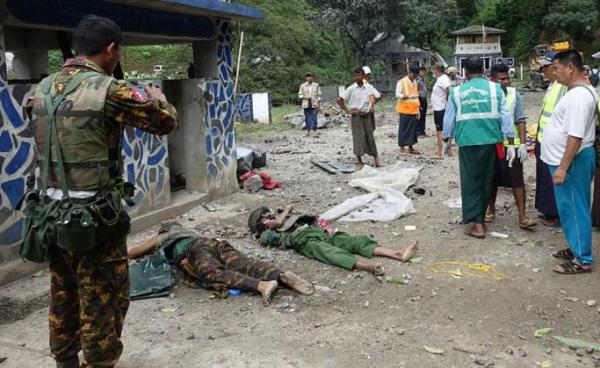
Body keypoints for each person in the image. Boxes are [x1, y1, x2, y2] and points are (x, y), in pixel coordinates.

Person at [25, 16, 178, 368]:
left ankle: (65, 361)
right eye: (118, 51)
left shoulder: (43, 88)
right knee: (102, 299)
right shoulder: (111, 90)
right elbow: (164, 123)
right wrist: (161, 99)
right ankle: (99, 361)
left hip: (51, 215)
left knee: (63, 293)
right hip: (95, 220)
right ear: (110, 49)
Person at [128, 222, 314, 304]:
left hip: (195, 250)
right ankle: (281, 275)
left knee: (215, 274)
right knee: (246, 263)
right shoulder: (188, 231)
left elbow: (134, 252)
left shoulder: (166, 234)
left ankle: (262, 285)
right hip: (215, 244)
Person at [443, 55, 515, 239]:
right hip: (490, 141)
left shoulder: (456, 92)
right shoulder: (495, 88)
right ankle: (480, 221)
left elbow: (449, 119)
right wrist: (511, 141)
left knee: (470, 183)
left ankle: (478, 225)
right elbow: (505, 116)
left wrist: (446, 141)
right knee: (486, 181)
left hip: (467, 142)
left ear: (464, 73)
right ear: (483, 71)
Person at [541, 50, 597, 274]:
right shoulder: (576, 92)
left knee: (574, 207)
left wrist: (563, 167)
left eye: (557, 68)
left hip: (572, 162)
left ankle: (582, 259)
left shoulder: (578, 98)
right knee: (571, 206)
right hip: (573, 160)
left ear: (570, 68)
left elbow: (575, 136)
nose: (555, 72)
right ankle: (577, 246)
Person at [248, 206, 418, 276]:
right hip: (303, 241)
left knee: (351, 241)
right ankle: (369, 267)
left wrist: (285, 214)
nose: (271, 218)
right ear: (262, 226)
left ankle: (396, 253)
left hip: (314, 232)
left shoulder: (283, 222)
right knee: (331, 253)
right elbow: (277, 223)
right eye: (266, 219)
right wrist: (284, 212)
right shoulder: (265, 236)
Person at [485, 63, 536, 228]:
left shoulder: (515, 95)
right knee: (491, 179)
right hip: (492, 144)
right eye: (502, 79)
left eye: (507, 78)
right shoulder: (487, 96)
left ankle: (522, 217)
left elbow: (520, 120)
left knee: (517, 181)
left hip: (511, 146)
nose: (506, 81)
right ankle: (490, 210)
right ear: (492, 79)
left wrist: (522, 144)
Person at [535, 52, 566, 228]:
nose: (542, 71)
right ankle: (548, 210)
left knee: (553, 178)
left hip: (556, 141)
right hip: (544, 138)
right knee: (544, 177)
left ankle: (555, 214)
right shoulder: (553, 85)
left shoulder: (563, 87)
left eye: (544, 67)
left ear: (555, 68)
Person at [337, 67, 382, 168]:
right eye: (356, 75)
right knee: (357, 137)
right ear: (354, 76)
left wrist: (372, 104)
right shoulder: (351, 88)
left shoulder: (369, 87)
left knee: (370, 136)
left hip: (366, 115)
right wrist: (347, 111)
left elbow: (379, 96)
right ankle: (359, 159)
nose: (357, 77)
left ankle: (375, 158)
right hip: (356, 115)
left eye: (360, 75)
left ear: (363, 76)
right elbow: (339, 100)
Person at [396, 65, 422, 155]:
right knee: (403, 128)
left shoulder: (415, 82)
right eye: (414, 74)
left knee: (413, 130)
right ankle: (402, 147)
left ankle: (411, 147)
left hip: (414, 109)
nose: (415, 76)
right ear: (409, 73)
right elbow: (397, 94)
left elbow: (416, 96)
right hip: (404, 109)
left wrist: (418, 109)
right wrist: (405, 96)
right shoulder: (402, 82)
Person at [431, 63, 453, 158]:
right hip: (439, 107)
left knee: (440, 131)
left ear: (437, 70)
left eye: (433, 70)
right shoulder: (441, 79)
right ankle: (448, 151)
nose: (433, 72)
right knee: (444, 130)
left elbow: (449, 89)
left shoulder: (443, 79)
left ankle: (440, 153)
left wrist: (447, 100)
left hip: (440, 108)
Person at [298, 72, 322, 137]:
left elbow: (319, 95)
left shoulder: (316, 85)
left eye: (311, 76)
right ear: (306, 78)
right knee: (307, 118)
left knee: (314, 117)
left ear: (313, 78)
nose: (310, 78)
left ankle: (314, 132)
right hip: (306, 103)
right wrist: (304, 97)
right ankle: (308, 131)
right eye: (308, 76)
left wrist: (319, 105)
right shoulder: (302, 86)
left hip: (314, 103)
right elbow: (299, 95)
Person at [417, 66, 429, 137]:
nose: (423, 73)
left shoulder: (424, 79)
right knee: (419, 115)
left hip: (424, 99)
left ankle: (422, 131)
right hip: (420, 99)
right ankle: (418, 132)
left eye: (424, 71)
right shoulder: (417, 80)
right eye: (422, 71)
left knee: (424, 115)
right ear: (419, 72)